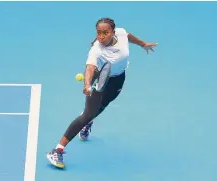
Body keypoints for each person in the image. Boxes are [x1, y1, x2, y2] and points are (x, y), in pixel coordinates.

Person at [47, 17, 158, 168]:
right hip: (100, 79)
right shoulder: (96, 50)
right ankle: (57, 150)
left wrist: (143, 44)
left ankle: (87, 124)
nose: (101, 36)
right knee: (87, 115)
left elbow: (128, 36)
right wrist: (87, 85)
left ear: (113, 32)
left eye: (105, 33)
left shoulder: (120, 33)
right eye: (99, 33)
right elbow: (90, 68)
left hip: (118, 79)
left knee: (103, 105)